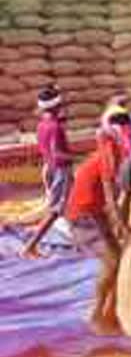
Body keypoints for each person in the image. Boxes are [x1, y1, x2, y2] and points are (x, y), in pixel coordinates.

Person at [67, 108, 131, 334]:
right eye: (125, 128)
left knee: (122, 260)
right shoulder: (108, 152)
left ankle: (111, 313)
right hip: (83, 215)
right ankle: (96, 314)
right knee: (112, 261)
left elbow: (113, 194)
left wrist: (120, 223)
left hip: (95, 213)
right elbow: (108, 193)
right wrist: (121, 224)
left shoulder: (115, 151)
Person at [21, 87, 74, 258]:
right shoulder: (56, 127)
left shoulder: (42, 125)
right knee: (55, 211)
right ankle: (30, 246)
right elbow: (57, 152)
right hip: (60, 169)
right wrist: (74, 156)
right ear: (56, 106)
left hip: (49, 167)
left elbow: (46, 149)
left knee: (63, 203)